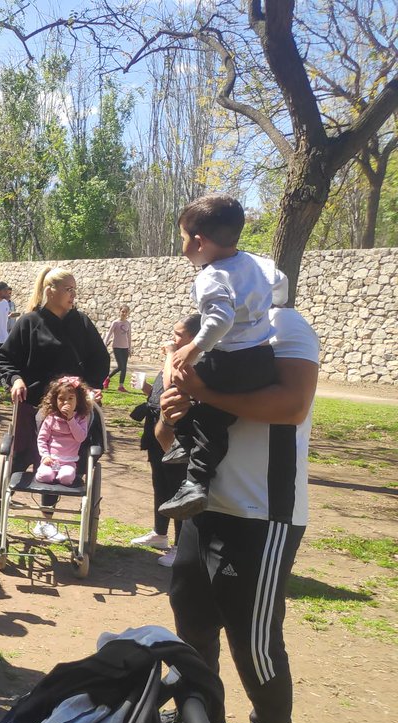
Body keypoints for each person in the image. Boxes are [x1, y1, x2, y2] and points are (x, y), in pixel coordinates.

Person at [158, 297, 319, 723]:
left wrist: (202, 390)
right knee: (191, 615)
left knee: (254, 643)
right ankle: (199, 707)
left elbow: (292, 405)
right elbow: (166, 438)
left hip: (263, 512)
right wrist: (172, 412)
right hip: (204, 506)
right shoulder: (212, 340)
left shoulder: (285, 329)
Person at [159, 194, 285, 520]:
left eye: (183, 239)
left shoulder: (211, 277)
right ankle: (185, 444)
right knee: (209, 410)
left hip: (230, 359)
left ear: (199, 242)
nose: (182, 245)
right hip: (261, 359)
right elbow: (281, 285)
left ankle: (195, 481)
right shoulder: (259, 264)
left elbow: (219, 320)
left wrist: (194, 347)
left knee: (201, 409)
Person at [0, 267, 109, 541]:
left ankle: (46, 519)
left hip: (72, 406)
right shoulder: (29, 322)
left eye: (74, 289)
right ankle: (0, 512)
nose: (73, 295)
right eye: (68, 289)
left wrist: (91, 388)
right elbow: (6, 359)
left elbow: (100, 359)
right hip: (34, 403)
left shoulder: (81, 323)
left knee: (62, 458)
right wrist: (15, 380)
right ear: (50, 291)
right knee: (20, 453)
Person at [129, 314, 202, 567]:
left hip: (177, 433)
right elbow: (161, 393)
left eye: (179, 334)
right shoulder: (176, 358)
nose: (173, 338)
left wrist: (171, 353)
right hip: (155, 426)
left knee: (177, 487)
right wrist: (147, 389)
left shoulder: (192, 360)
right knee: (160, 483)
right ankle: (160, 534)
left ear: (194, 338)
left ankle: (180, 546)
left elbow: (173, 388)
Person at [35, 376, 93, 486]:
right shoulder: (51, 418)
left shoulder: (81, 418)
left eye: (71, 398)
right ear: (55, 400)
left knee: (66, 478)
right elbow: (42, 439)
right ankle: (49, 474)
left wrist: (71, 419)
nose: (66, 402)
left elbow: (80, 437)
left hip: (68, 462)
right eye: (61, 399)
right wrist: (45, 455)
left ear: (78, 400)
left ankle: (59, 476)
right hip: (51, 461)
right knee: (45, 476)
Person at [104, 305, 133, 391]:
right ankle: (107, 378)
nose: (124, 313)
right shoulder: (115, 323)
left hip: (125, 347)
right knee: (121, 366)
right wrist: (104, 344)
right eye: (122, 311)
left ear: (128, 313)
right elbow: (109, 334)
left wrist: (129, 348)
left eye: (126, 312)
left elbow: (129, 336)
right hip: (117, 347)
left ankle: (120, 386)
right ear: (119, 312)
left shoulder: (128, 323)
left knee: (124, 367)